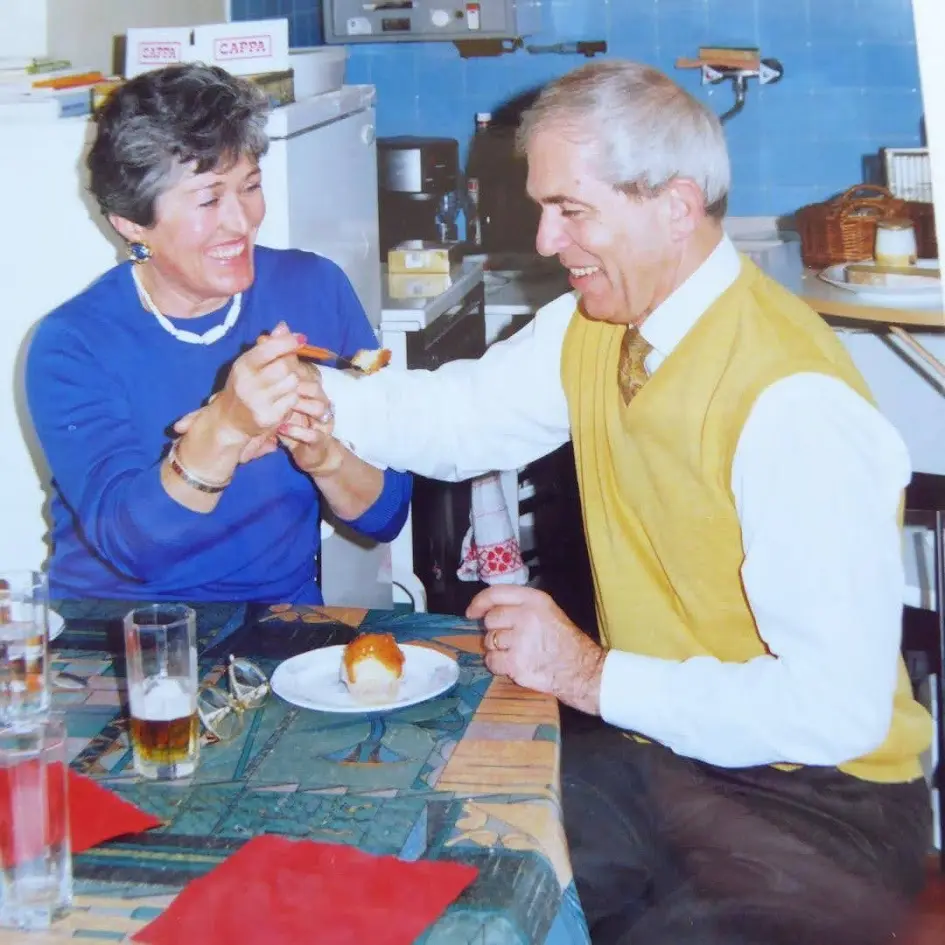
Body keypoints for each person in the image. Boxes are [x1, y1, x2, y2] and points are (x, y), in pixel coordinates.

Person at [314, 61, 934, 944]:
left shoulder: (792, 400)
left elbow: (834, 709)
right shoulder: (594, 325)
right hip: (665, 754)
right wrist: (304, 397)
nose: (543, 238)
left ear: (674, 206)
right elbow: (455, 418)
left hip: (821, 800)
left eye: (570, 209)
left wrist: (585, 673)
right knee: (437, 879)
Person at [26, 63, 411, 604]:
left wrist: (319, 451)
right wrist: (225, 427)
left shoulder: (313, 288)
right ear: (132, 223)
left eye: (250, 186)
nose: (242, 220)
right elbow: (135, 550)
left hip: (278, 622)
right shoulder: (74, 343)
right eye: (209, 200)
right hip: (117, 636)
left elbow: (388, 512)